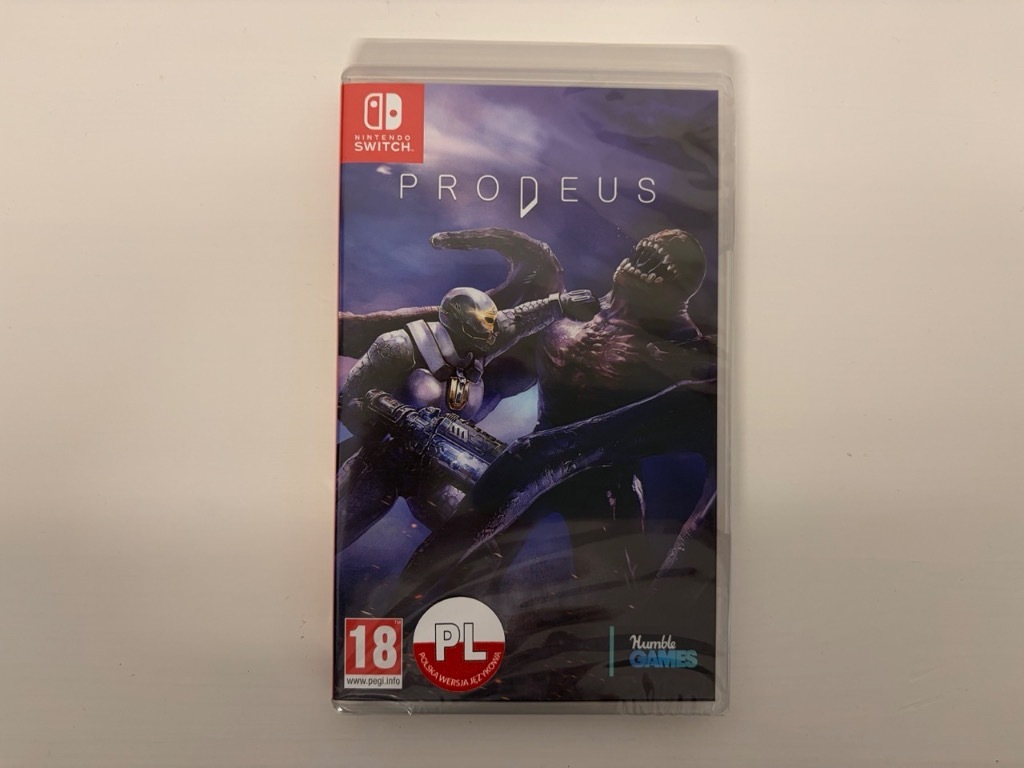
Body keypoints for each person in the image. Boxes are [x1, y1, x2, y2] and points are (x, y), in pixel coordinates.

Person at [336, 286, 598, 549]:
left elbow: (517, 320)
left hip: (436, 471)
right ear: (458, 323)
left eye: (490, 327)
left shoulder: (480, 344)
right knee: (333, 534)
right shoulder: (399, 346)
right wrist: (394, 416)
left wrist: (560, 303)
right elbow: (348, 401)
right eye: (481, 328)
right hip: (381, 462)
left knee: (481, 544)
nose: (492, 335)